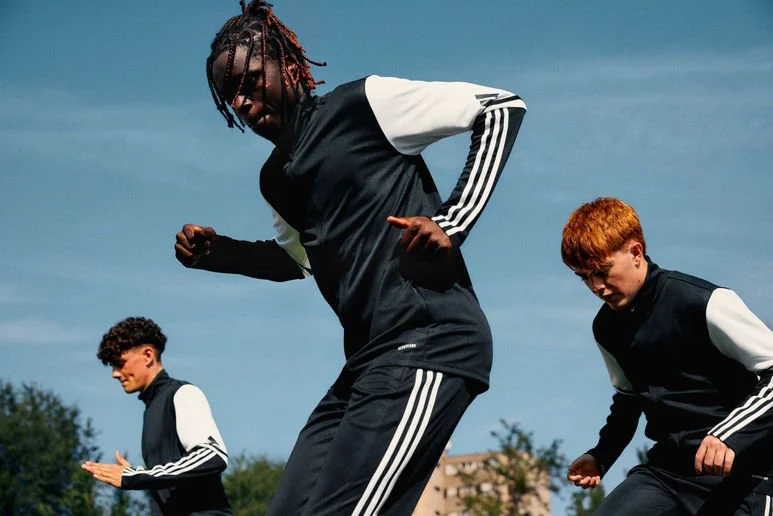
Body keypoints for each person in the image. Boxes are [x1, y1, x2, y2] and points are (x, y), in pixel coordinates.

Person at [173, 1, 526, 514]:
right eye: (232, 98)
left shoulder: (364, 104)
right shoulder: (276, 181)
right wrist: (220, 254)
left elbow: (500, 106)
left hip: (430, 340)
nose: (245, 103)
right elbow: (299, 261)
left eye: (250, 82)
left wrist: (452, 221)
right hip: (364, 363)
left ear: (287, 64)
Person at [561, 197, 773, 515]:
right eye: (584, 277)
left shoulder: (704, 301)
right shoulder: (606, 328)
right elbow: (628, 398)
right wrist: (601, 455)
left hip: (744, 473)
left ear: (635, 252)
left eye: (602, 272)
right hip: (668, 473)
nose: (597, 287)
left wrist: (728, 436)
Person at [82, 317, 231, 515]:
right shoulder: (151, 408)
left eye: (120, 363)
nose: (115, 374)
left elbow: (213, 455)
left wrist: (137, 477)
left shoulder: (183, 393)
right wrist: (142, 476)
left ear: (147, 355)